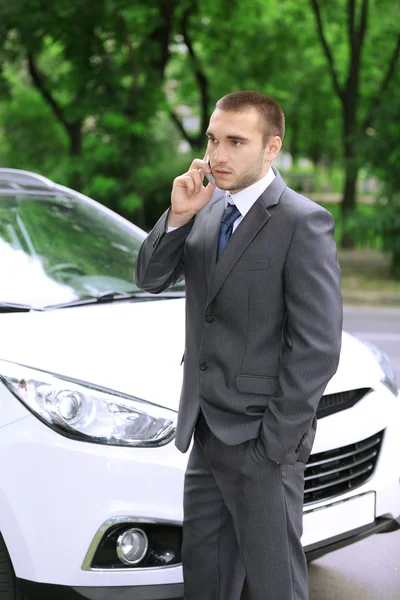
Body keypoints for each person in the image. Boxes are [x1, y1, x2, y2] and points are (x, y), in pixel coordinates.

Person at [135, 90, 343, 600]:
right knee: (204, 579)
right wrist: (178, 216)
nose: (217, 155)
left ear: (271, 148)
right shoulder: (206, 209)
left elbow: (317, 347)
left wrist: (275, 443)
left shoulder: (302, 222)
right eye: (211, 139)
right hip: (204, 430)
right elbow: (149, 278)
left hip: (261, 442)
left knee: (276, 585)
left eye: (235, 142)